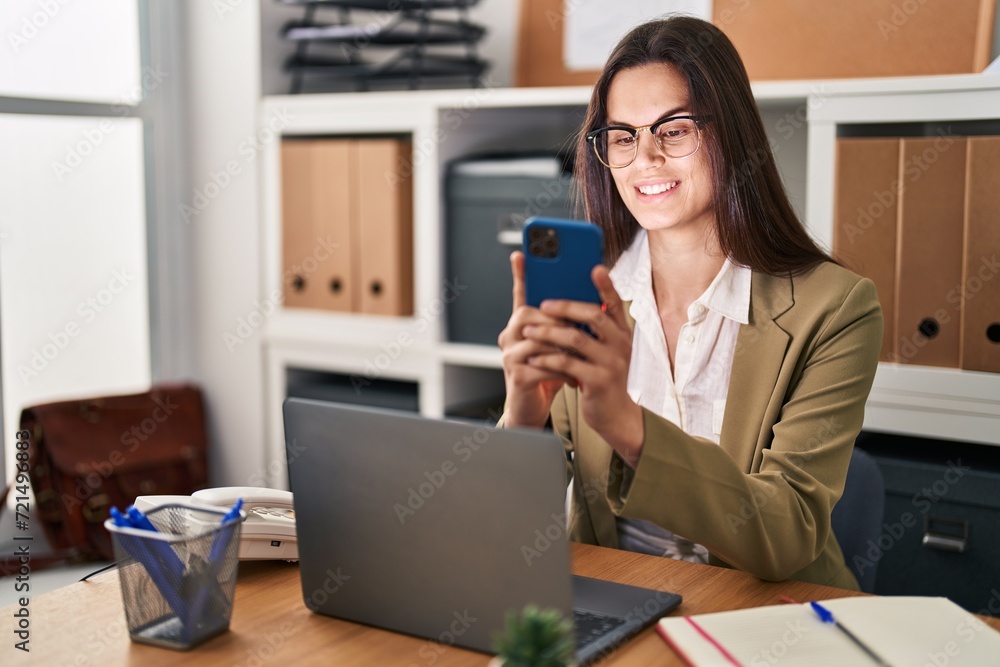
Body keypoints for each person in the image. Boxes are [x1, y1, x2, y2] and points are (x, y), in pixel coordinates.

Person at [497, 16, 882, 589]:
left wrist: (630, 427)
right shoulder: (587, 296)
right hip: (621, 601)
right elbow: (509, 532)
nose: (644, 157)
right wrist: (523, 416)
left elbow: (787, 534)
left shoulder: (836, 308)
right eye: (623, 135)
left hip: (766, 618)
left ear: (730, 133)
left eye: (673, 129)